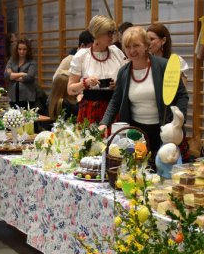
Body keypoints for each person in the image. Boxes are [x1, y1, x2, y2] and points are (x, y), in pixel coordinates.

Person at [99, 27, 189, 156]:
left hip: (164, 129)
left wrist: (178, 121)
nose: (131, 51)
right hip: (136, 131)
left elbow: (182, 96)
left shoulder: (163, 66)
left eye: (136, 45)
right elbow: (115, 101)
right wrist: (104, 123)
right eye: (127, 46)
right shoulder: (123, 72)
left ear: (146, 45)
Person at [67, 15, 127, 124]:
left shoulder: (116, 52)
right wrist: (85, 83)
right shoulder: (82, 56)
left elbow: (128, 80)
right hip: (90, 110)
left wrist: (117, 85)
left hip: (114, 107)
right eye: (108, 33)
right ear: (97, 34)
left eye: (112, 32)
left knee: (113, 140)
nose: (111, 36)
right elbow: (70, 90)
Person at [4, 38, 37, 108]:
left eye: (24, 49)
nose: (22, 51)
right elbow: (6, 75)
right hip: (12, 97)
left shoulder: (32, 62)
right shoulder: (12, 60)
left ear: (28, 50)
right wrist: (22, 74)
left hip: (27, 98)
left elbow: (29, 77)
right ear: (17, 49)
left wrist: (12, 76)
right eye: (19, 49)